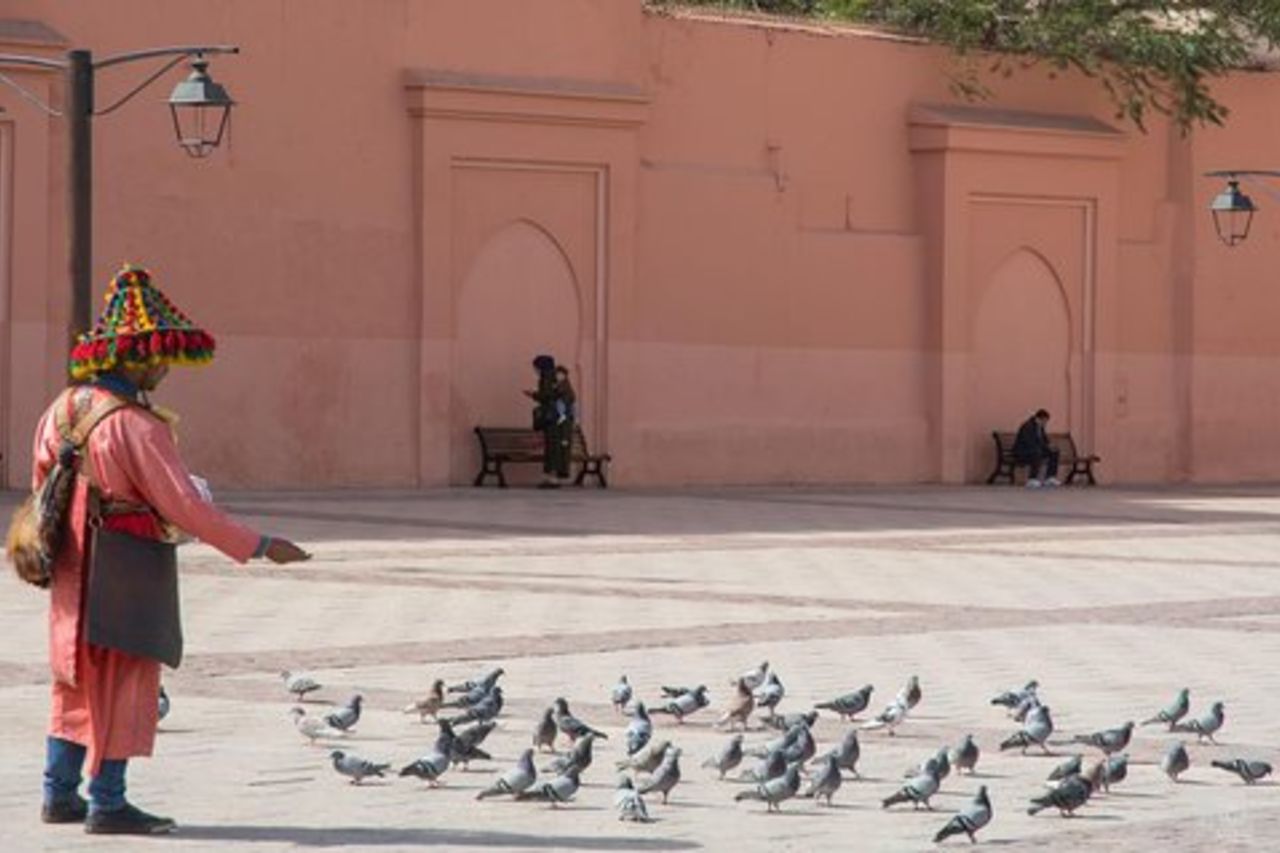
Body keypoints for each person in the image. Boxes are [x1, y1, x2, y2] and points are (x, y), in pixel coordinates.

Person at [35, 265, 310, 835]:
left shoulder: (61, 410)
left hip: (72, 562)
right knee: (125, 677)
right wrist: (258, 545)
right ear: (135, 359)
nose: (164, 370)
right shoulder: (138, 426)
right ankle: (108, 801)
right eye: (160, 360)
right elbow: (184, 504)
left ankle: (57, 793)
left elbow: (45, 483)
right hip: (127, 564)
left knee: (74, 676)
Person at [523, 354, 560, 488]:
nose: (535, 370)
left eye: (536, 367)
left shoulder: (546, 378)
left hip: (550, 417)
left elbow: (546, 396)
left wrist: (533, 394)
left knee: (550, 448)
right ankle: (552, 477)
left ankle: (551, 478)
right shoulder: (556, 377)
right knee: (553, 447)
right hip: (557, 417)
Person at [1013, 408, 1060, 488]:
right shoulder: (1028, 426)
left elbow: (1044, 440)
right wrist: (1044, 446)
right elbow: (1029, 442)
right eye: (1044, 421)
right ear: (1039, 418)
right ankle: (1032, 479)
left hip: (1035, 450)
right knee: (1036, 452)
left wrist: (1049, 446)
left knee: (1054, 452)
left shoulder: (1040, 427)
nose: (1045, 423)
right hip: (1023, 451)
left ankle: (1050, 477)